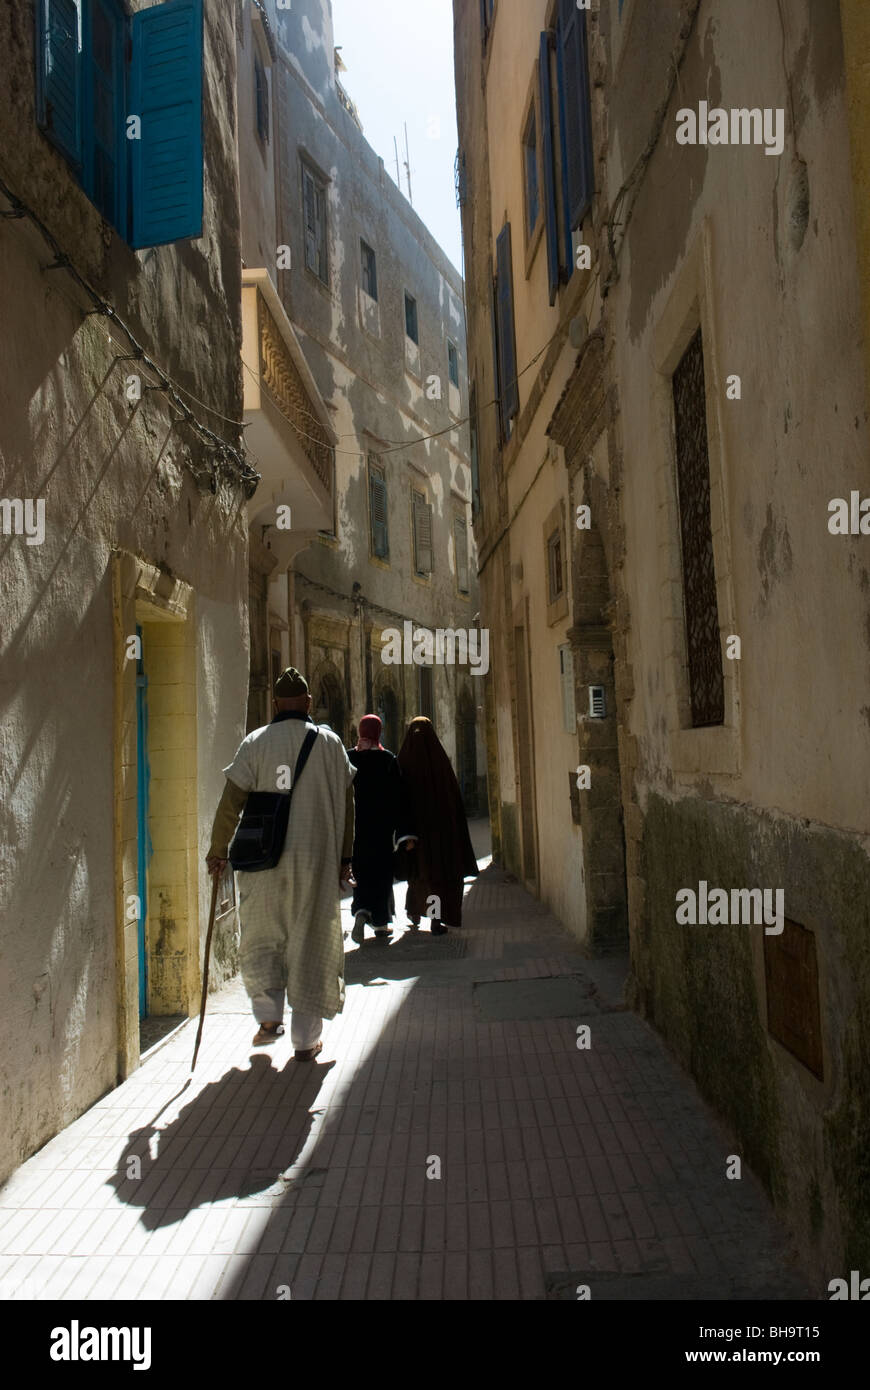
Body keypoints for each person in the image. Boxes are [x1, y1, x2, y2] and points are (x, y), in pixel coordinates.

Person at [206, 667, 356, 1059]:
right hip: (315, 862)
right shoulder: (331, 744)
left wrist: (218, 850)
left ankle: (269, 1019)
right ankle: (306, 1042)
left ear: (274, 703)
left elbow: (230, 803)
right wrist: (345, 859)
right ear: (308, 703)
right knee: (310, 943)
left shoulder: (255, 742)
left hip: (263, 864)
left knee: (263, 937)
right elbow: (349, 805)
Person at [396, 716, 479, 935]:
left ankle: (414, 911)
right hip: (438, 836)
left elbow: (397, 798)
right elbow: (453, 801)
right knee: (435, 878)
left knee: (417, 876)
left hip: (413, 835)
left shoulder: (403, 762)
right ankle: (434, 919)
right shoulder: (440, 763)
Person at [347, 714, 416, 943]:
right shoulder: (387, 760)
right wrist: (405, 833)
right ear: (379, 732)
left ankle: (360, 911)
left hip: (356, 832)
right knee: (382, 876)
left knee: (361, 873)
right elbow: (401, 798)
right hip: (382, 833)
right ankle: (379, 923)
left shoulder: (348, 759)